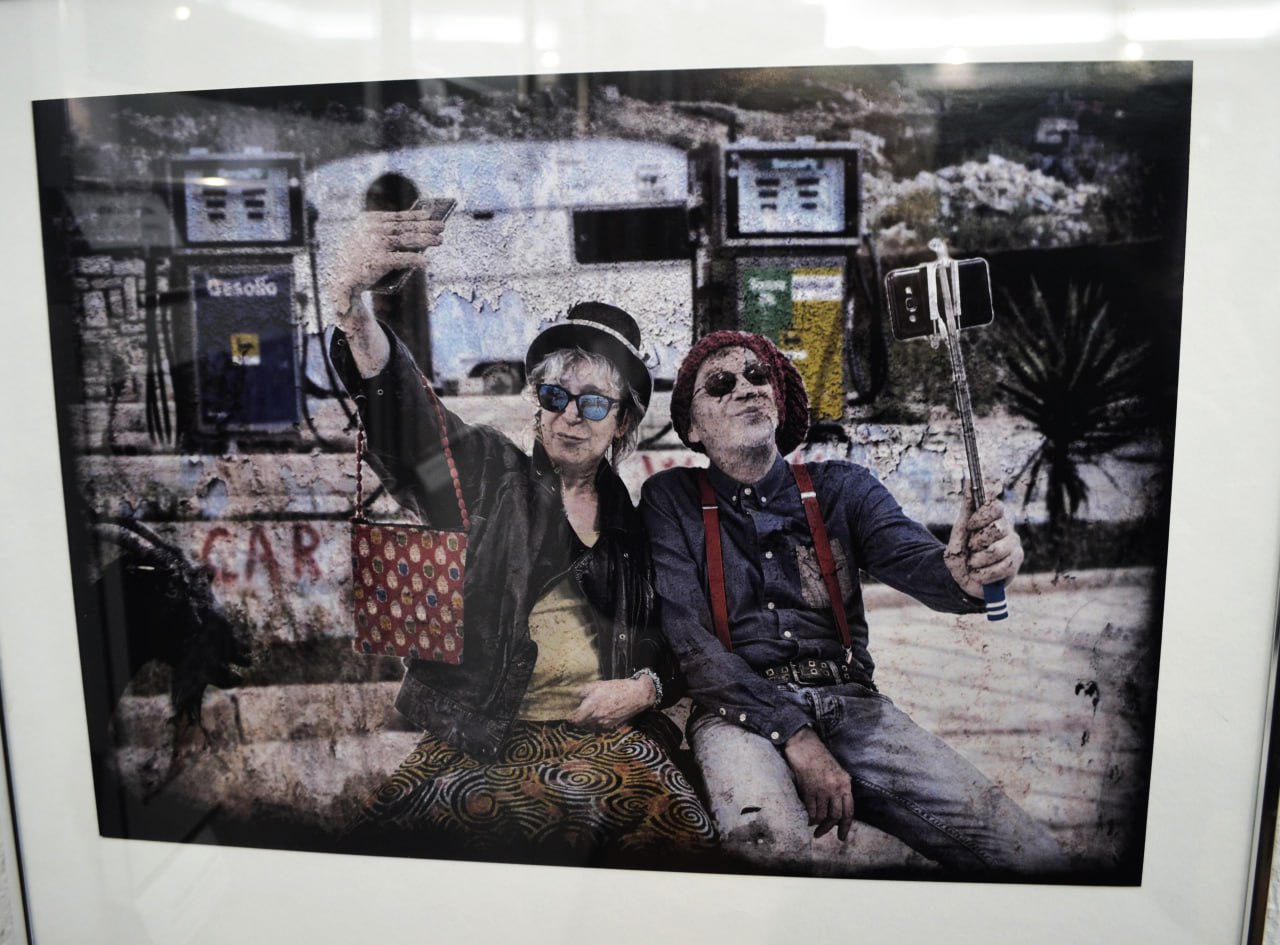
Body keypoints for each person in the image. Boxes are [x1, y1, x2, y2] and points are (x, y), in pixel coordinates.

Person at [325, 208, 715, 866]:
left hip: (605, 745)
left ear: (621, 423)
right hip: (482, 741)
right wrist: (352, 306)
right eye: (556, 395)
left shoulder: (640, 525)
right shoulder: (485, 475)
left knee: (678, 862)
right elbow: (411, 421)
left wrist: (645, 688)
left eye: (594, 402)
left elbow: (685, 638)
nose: (570, 416)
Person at [640, 330, 1067, 876]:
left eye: (758, 375)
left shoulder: (843, 488)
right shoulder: (671, 500)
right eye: (720, 384)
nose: (745, 388)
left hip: (853, 706)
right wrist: (796, 734)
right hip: (736, 715)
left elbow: (922, 562)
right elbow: (692, 646)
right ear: (693, 426)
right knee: (765, 846)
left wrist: (968, 575)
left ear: (778, 401)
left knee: (1026, 850)